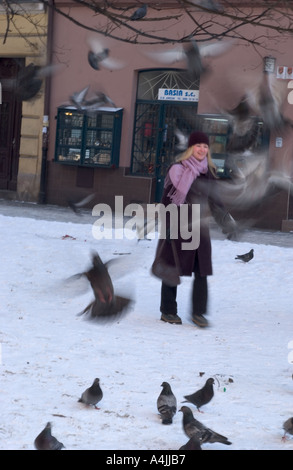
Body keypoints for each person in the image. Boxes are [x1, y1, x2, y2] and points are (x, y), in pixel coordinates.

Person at [151, 130, 237, 327]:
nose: (202, 149)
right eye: (198, 145)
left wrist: (227, 224)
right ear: (191, 148)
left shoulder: (208, 173)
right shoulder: (177, 170)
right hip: (178, 226)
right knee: (171, 268)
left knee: (202, 271)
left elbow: (216, 203)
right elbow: (167, 201)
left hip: (200, 229)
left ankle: (198, 313)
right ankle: (168, 311)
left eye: (205, 146)